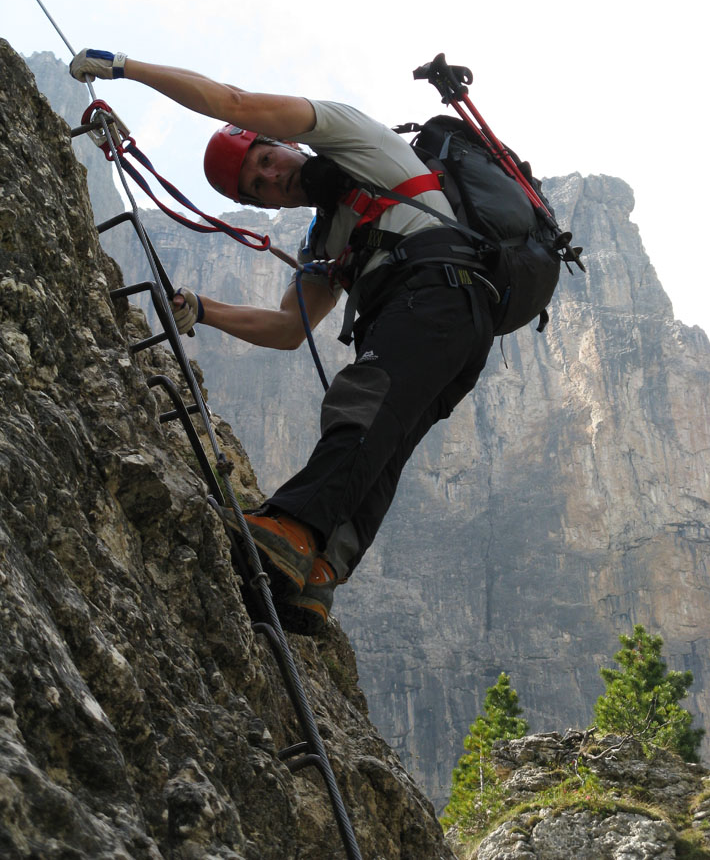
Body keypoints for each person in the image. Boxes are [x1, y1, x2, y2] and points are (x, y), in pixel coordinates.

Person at [70, 49, 496, 634]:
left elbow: (231, 102)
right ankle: (317, 578)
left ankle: (291, 529)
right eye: (257, 187)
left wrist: (125, 68)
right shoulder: (326, 241)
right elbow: (289, 329)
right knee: (384, 447)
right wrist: (204, 310)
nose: (273, 178)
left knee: (361, 403)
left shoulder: (349, 137)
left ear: (283, 142)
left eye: (266, 158)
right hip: (455, 323)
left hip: (435, 294)